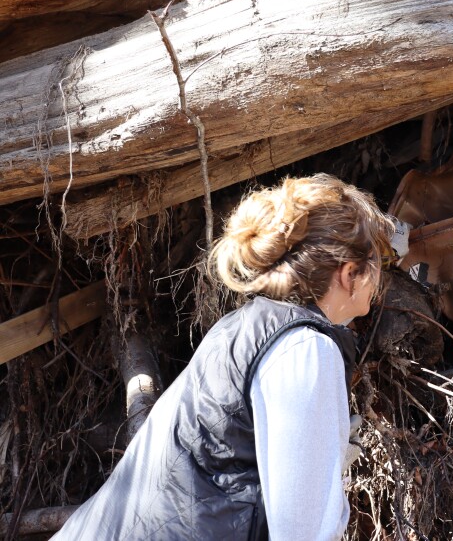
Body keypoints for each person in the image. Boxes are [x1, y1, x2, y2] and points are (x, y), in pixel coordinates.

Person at [53, 174, 396, 540]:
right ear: (349, 273)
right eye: (379, 260)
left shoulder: (239, 329)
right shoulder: (306, 349)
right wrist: (324, 480)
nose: (380, 278)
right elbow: (304, 533)